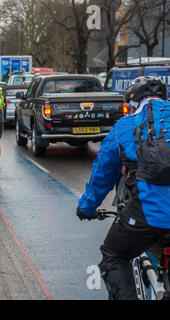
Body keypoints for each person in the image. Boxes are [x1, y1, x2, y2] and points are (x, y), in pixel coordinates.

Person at [76, 76, 170, 300]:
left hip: (150, 213)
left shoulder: (125, 126)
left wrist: (87, 207)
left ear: (134, 101)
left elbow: (103, 173)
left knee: (114, 255)